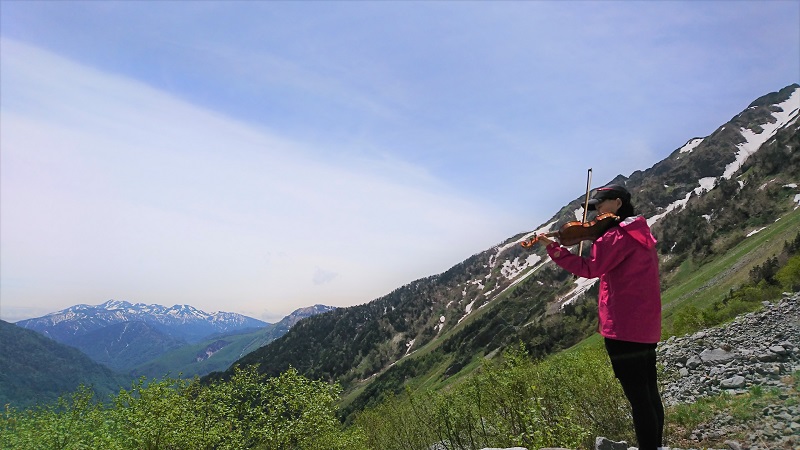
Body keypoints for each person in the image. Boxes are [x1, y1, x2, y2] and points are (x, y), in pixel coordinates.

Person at [533, 183, 664, 450]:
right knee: (649, 391)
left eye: (599, 205)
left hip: (624, 327)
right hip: (645, 324)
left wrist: (554, 249)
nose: (594, 213)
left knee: (637, 397)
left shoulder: (617, 236)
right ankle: (656, 445)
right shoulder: (638, 231)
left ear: (617, 204)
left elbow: (589, 268)